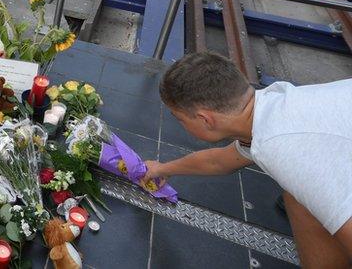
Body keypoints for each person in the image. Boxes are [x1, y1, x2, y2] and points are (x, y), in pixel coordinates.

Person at [145, 52, 352, 267]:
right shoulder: (271, 107)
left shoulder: (286, 151)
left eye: (180, 119)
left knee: (302, 194)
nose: (181, 124)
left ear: (205, 119)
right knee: (297, 198)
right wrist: (163, 169)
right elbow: (218, 162)